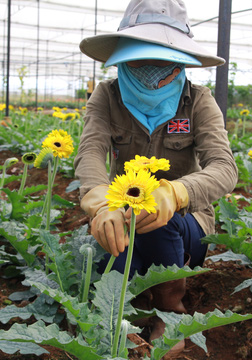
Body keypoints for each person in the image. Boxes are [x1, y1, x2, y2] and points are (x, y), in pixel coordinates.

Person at [74, 0, 237, 357]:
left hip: (185, 227)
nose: (151, 67)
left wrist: (176, 193)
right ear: (123, 55)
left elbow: (225, 168)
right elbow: (90, 152)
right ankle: (119, 312)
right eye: (141, 56)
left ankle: (169, 311)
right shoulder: (106, 95)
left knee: (159, 221)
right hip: (122, 214)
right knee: (105, 247)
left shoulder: (199, 102)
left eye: (163, 56)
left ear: (181, 58)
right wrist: (101, 205)